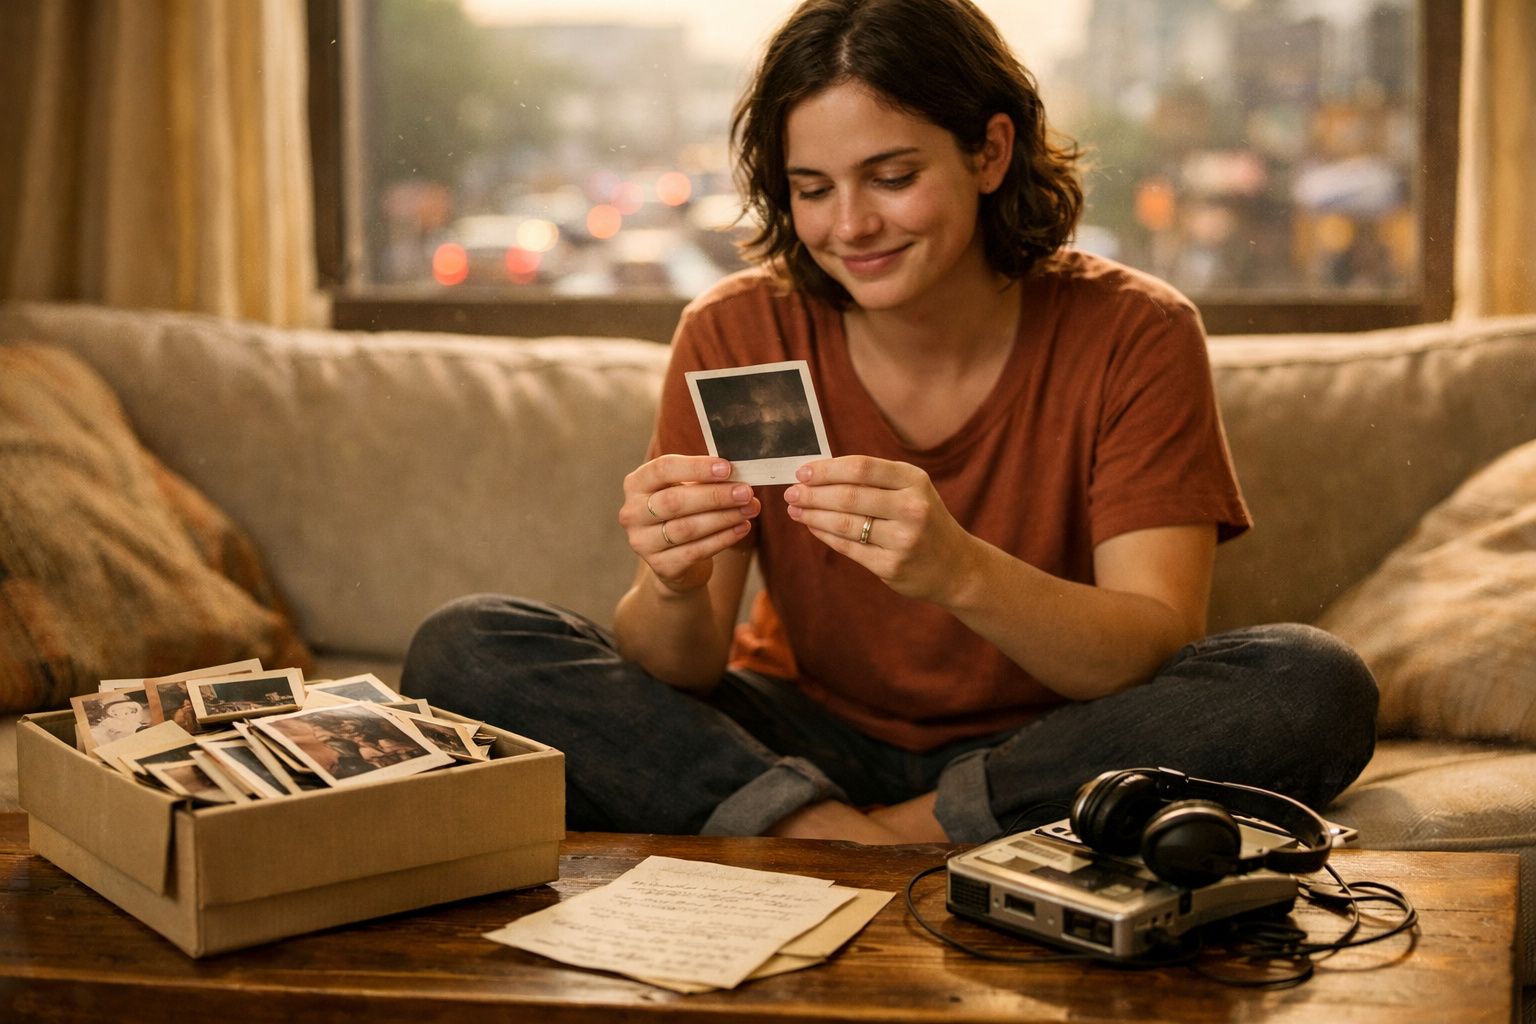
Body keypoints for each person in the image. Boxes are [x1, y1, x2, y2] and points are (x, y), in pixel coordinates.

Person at [402, 0, 1377, 845]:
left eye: (892, 176)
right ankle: (816, 829)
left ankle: (873, 836)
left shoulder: (1136, 331)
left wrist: (957, 569)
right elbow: (686, 667)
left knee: (1309, 683)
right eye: (813, 189)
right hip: (800, 739)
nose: (849, 227)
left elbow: (1149, 647)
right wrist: (669, 582)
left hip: (1050, 747)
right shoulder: (738, 329)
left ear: (990, 152)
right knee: (466, 647)